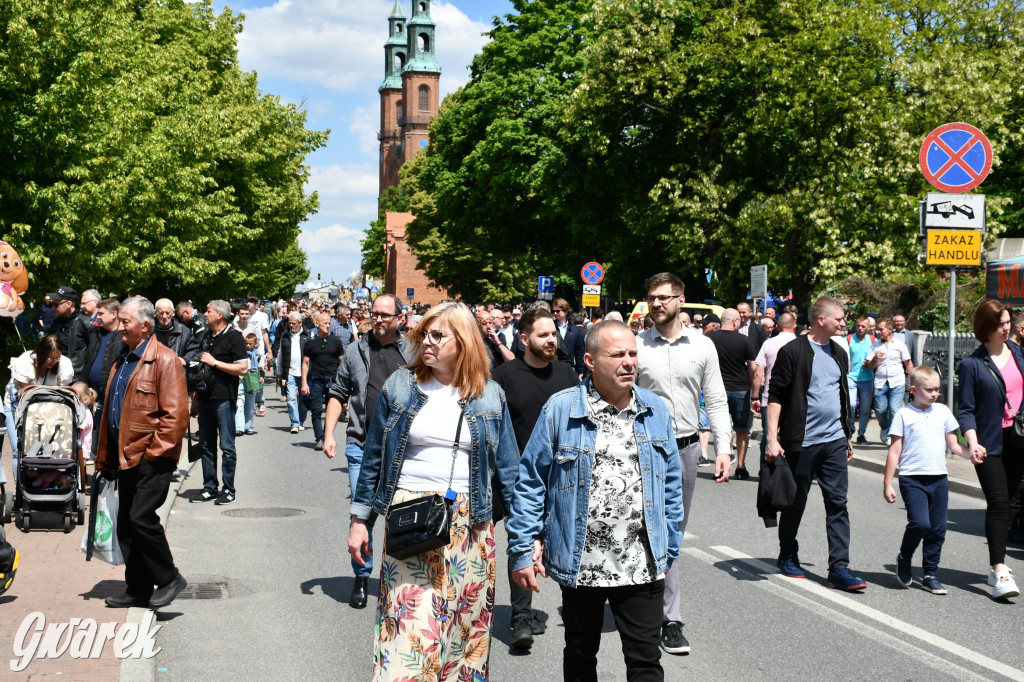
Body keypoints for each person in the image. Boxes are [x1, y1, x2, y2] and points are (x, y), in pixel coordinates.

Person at [346, 302, 519, 680]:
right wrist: (361, 520)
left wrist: (524, 543)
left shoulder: (489, 395)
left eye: (438, 335)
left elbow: (509, 471)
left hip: (470, 527)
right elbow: (374, 455)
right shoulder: (401, 385)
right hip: (411, 518)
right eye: (423, 332)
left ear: (465, 342)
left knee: (464, 638)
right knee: (407, 634)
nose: (426, 341)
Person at [508, 320, 683, 681]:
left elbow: (670, 487)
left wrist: (670, 544)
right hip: (581, 564)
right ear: (590, 360)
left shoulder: (655, 411)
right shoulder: (561, 409)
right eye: (617, 354)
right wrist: (523, 548)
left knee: (645, 661)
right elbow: (530, 481)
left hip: (643, 563)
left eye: (633, 353)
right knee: (580, 654)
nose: (629, 362)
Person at [635, 273, 731, 655]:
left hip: (687, 449)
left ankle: (664, 615)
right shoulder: (637, 346)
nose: (656, 303)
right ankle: (663, 615)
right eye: (651, 297)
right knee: (644, 526)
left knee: (672, 534)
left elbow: (717, 400)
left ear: (681, 300)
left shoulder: (703, 346)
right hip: (644, 449)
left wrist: (723, 448)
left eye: (664, 297)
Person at [492, 308, 579, 649]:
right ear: (525, 339)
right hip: (520, 479)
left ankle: (575, 608)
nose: (551, 340)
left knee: (567, 542)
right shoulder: (503, 376)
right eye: (543, 335)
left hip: (564, 475)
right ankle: (521, 618)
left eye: (554, 334)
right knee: (523, 543)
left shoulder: (567, 374)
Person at [765, 296, 866, 591]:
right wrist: (772, 438)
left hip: (834, 441)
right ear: (821, 319)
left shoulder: (838, 353)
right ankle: (788, 553)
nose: (844, 323)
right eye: (840, 318)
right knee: (796, 502)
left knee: (838, 503)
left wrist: (846, 435)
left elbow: (840, 395)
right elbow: (776, 396)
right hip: (802, 442)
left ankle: (839, 568)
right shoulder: (793, 351)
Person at [95, 296, 189, 609]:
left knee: (141, 518)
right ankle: (137, 589)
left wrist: (153, 454)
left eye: (125, 322)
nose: (120, 327)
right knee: (127, 523)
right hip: (125, 456)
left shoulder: (165, 360)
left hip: (152, 458)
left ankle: (170, 578)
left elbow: (175, 418)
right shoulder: (124, 359)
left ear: (144, 326)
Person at [324, 294, 410, 609]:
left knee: (404, 515)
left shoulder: (412, 351)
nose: (379, 319)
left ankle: (400, 579)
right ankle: (362, 576)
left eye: (385, 314)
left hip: (404, 449)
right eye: (375, 313)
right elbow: (338, 392)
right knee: (362, 513)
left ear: (399, 318)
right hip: (361, 444)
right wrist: (329, 434)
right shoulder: (355, 351)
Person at [884, 366, 981, 595]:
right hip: (912, 479)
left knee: (937, 529)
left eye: (937, 389)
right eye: (929, 390)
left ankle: (930, 574)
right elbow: (894, 452)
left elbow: (954, 445)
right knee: (920, 524)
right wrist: (888, 483)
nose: (935, 394)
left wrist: (971, 454)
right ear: (915, 390)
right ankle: (905, 557)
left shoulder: (943, 411)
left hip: (939, 479)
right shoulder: (903, 415)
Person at [957, 300, 1024, 599]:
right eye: (1000, 324)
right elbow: (966, 410)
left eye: (1008, 322)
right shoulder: (972, 364)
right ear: (985, 328)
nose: (1007, 328)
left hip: (1019, 440)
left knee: (1011, 502)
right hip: (989, 443)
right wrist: (972, 441)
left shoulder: (1020, 354)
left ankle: (996, 558)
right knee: (998, 502)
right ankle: (999, 569)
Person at [192, 300, 248, 506]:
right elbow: (200, 367)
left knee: (227, 446)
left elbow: (242, 368)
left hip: (224, 398)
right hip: (205, 397)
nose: (204, 315)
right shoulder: (206, 336)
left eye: (208, 311)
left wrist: (215, 363)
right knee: (206, 445)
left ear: (220, 316)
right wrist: (195, 397)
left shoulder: (234, 337)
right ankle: (209, 487)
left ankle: (229, 489)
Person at [4, 336, 74, 481]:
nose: (53, 362)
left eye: (56, 358)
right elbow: (25, 394)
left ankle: (39, 484)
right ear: (41, 353)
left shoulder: (63, 364)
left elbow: (62, 392)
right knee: (20, 449)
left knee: (45, 447)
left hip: (46, 408)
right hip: (17, 405)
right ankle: (20, 488)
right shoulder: (26, 362)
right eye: (49, 358)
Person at [705, 308, 757, 479]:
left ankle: (720, 466)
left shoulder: (709, 339)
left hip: (716, 388)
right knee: (742, 430)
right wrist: (752, 389)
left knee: (720, 429)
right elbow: (752, 368)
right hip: (740, 389)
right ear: (735, 322)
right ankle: (740, 467)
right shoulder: (744, 340)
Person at [752, 312, 798, 460]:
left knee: (769, 436)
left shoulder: (768, 343)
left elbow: (758, 372)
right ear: (795, 326)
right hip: (795, 399)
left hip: (770, 398)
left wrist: (755, 396)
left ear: (777, 327)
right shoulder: (802, 344)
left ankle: (765, 471)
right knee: (792, 436)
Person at [864, 318, 914, 446]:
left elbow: (908, 363)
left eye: (881, 329)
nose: (878, 332)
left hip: (897, 381)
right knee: (880, 410)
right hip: (880, 382)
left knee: (894, 410)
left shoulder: (900, 345)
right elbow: (869, 366)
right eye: (878, 329)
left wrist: (914, 380)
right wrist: (875, 358)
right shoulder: (875, 346)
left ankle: (891, 435)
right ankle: (884, 426)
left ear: (890, 330)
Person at [301, 313, 343, 450]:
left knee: (331, 410)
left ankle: (327, 435)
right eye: (325, 323)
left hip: (332, 379)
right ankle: (319, 438)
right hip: (317, 379)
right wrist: (304, 383)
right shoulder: (310, 343)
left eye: (329, 323)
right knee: (316, 409)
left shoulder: (336, 341)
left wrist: (345, 381)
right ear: (317, 324)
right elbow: (306, 364)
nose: (328, 325)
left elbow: (342, 361)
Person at [47, 286, 95, 384]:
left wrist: (83, 381)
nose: (53, 307)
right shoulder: (56, 323)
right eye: (52, 303)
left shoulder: (86, 323)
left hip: (76, 379)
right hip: (55, 377)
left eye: (56, 304)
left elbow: (93, 354)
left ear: (69, 304)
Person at [275, 312, 310, 433]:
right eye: (289, 323)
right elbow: (280, 354)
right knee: (291, 399)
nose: (291, 325)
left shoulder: (308, 335)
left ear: (300, 323)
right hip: (289, 371)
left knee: (304, 399)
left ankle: (300, 421)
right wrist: (279, 371)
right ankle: (294, 423)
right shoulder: (285, 335)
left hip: (305, 373)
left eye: (293, 323)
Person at [847, 317, 875, 444]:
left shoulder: (873, 340)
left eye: (863, 326)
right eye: (858, 325)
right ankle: (851, 427)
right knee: (851, 405)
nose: (860, 328)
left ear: (869, 328)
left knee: (865, 409)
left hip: (867, 378)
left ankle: (861, 434)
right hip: (851, 377)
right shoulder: (848, 339)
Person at [234, 333, 261, 436]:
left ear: (255, 344)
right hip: (241, 379)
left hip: (253, 379)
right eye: (246, 343)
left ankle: (248, 427)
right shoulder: (240, 353)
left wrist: (261, 376)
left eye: (250, 344)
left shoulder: (257, 354)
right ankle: (239, 427)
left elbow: (261, 367)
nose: (248, 346)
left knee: (250, 405)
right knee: (239, 403)